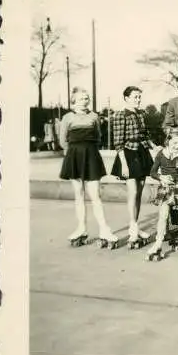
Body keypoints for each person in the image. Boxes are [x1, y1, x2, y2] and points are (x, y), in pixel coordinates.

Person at [59, 87, 118, 249]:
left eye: (87, 98)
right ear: (74, 101)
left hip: (91, 155)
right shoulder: (67, 117)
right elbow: (62, 140)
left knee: (95, 195)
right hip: (73, 156)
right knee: (78, 194)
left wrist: (88, 149)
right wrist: (73, 153)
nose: (85, 100)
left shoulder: (94, 117)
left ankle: (104, 229)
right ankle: (81, 228)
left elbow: (98, 137)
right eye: (81, 98)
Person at [110, 86, 157, 249]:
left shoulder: (141, 114)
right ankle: (132, 227)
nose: (138, 99)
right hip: (128, 155)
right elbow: (118, 142)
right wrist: (123, 163)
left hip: (142, 153)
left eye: (139, 97)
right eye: (135, 97)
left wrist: (154, 146)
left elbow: (145, 135)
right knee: (133, 192)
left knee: (140, 191)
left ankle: (135, 225)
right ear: (126, 98)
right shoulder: (119, 115)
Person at [145, 130, 178, 261]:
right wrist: (161, 177)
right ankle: (158, 242)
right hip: (166, 185)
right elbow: (152, 172)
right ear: (168, 141)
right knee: (163, 215)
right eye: (175, 143)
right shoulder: (161, 154)